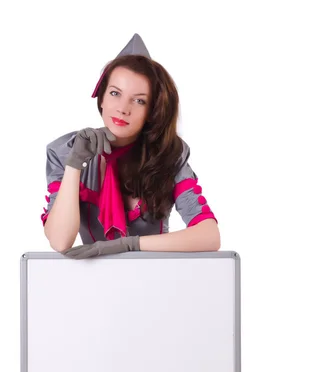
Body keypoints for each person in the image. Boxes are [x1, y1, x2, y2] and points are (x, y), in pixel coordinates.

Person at [41, 33, 220, 259]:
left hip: (156, 280)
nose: (123, 108)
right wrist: (75, 164)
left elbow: (209, 236)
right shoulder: (64, 151)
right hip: (90, 283)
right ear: (102, 98)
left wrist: (131, 245)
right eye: (115, 93)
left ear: (151, 111)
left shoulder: (168, 154)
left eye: (139, 100)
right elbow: (59, 240)